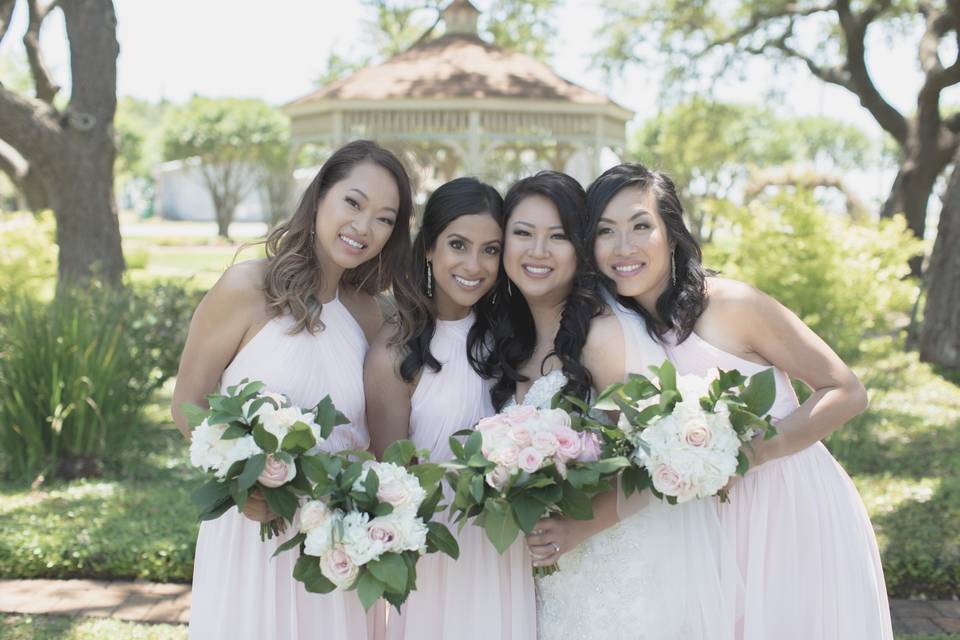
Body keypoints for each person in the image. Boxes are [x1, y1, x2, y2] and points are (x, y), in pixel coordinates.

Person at [588, 162, 893, 640]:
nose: (623, 247)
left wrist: (749, 454)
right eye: (606, 232)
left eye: (640, 226)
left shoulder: (733, 304)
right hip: (701, 523)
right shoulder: (622, 332)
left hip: (787, 507)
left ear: (671, 235)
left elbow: (846, 391)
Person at [171, 140, 414, 640]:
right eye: (353, 202)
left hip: (337, 544)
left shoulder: (373, 316)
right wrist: (244, 478)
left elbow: (373, 439)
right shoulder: (246, 289)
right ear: (320, 194)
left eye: (385, 219)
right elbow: (189, 403)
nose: (364, 227)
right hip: (253, 531)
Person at [507, 172, 737, 640]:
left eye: (559, 237)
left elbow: (662, 461)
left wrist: (577, 528)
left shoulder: (604, 334)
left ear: (582, 249)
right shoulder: (509, 338)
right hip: (559, 576)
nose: (538, 251)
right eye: (523, 234)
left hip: (622, 563)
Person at [363, 176, 537, 639]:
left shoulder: (512, 339)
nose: (473, 265)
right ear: (428, 249)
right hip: (434, 551)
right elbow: (390, 479)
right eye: (458, 244)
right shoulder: (395, 352)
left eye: (490, 249)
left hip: (504, 545)